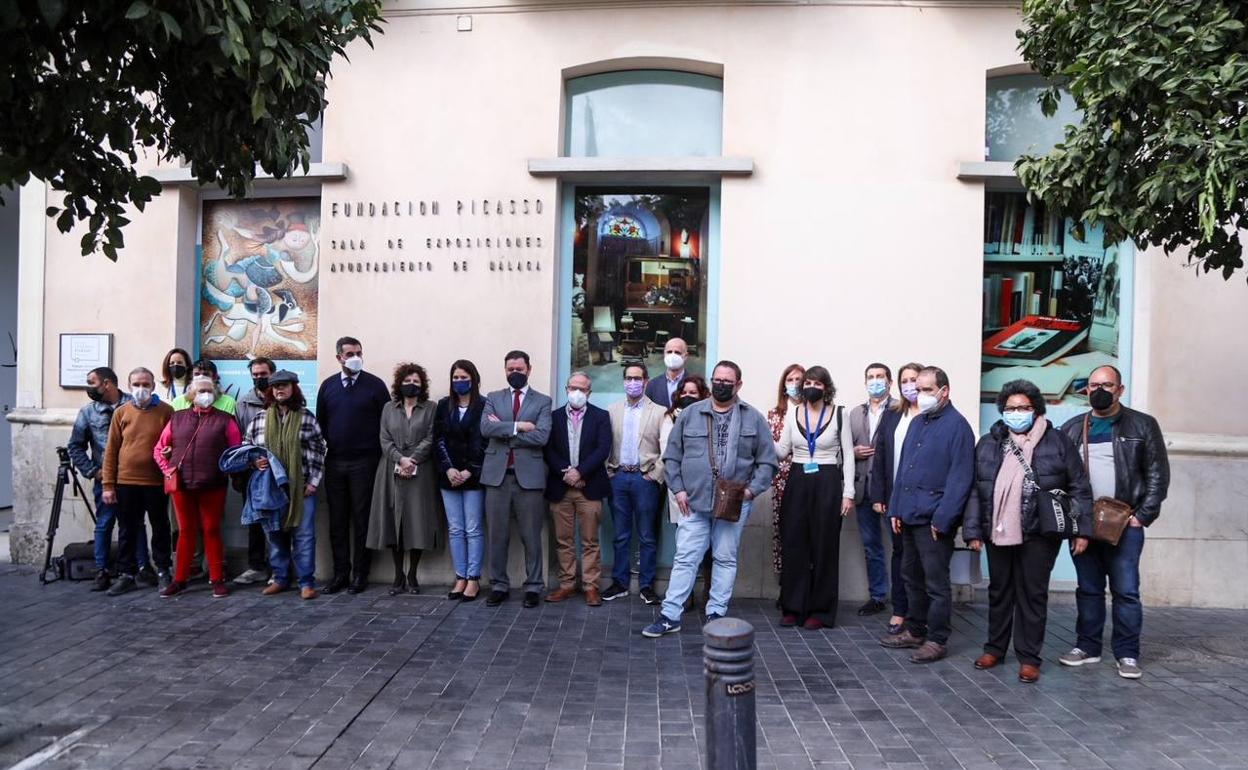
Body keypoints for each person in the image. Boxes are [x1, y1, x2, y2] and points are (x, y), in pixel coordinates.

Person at [964, 379, 1092, 683]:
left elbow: (1079, 488)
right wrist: (972, 530)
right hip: (998, 529)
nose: (1016, 413)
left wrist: (1082, 530)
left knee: (1032, 595)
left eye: (1023, 407)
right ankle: (995, 648)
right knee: (999, 592)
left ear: (1035, 410)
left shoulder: (1057, 441)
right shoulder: (989, 442)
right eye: (1010, 408)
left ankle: (1029, 657)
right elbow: (975, 490)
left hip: (1039, 532)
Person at [643, 361, 778, 637]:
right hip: (693, 501)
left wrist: (749, 492)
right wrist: (678, 489)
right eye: (717, 379)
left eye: (728, 381)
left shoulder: (753, 418)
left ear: (738, 385)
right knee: (685, 559)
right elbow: (672, 456)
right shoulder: (690, 414)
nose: (721, 385)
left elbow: (767, 462)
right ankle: (670, 616)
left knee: (725, 558)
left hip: (734, 504)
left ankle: (716, 613)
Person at [1058, 365, 1170, 679]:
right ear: (1086, 390)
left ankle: (1127, 654)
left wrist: (1142, 516)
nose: (1100, 390)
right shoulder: (1071, 428)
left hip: (1125, 523)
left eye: (1107, 384)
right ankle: (1088, 647)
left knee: (1126, 591)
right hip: (1085, 524)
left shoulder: (1142, 425)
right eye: (1094, 385)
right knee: (1088, 589)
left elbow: (1158, 476)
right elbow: (1061, 477)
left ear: (1120, 390)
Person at [876, 366, 975, 663]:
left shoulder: (958, 427)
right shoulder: (918, 423)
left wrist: (943, 519)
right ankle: (915, 630)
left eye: (928, 390)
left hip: (933, 522)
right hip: (908, 515)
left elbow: (961, 478)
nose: (921, 395)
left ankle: (937, 639)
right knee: (911, 577)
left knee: (935, 583)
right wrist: (895, 508)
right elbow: (903, 469)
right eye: (919, 389)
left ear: (944, 391)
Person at [773, 366, 855, 630]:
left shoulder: (840, 414)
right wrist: (760, 437)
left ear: (826, 388)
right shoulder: (793, 413)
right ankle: (792, 606)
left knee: (824, 547)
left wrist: (848, 493)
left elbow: (849, 455)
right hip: (797, 478)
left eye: (817, 383)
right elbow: (783, 450)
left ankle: (820, 610)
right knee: (794, 543)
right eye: (807, 382)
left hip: (828, 479)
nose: (811, 387)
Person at [153, 376, 243, 598]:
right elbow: (159, 448)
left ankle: (217, 578)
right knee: (185, 531)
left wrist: (229, 471)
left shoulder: (225, 420)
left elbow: (236, 451)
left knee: (212, 529)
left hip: (213, 483)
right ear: (191, 394)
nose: (206, 394)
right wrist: (168, 469)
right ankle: (179, 579)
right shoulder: (177, 418)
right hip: (182, 483)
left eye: (209, 390)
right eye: (201, 390)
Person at [317, 336, 391, 594]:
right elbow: (322, 423)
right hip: (336, 461)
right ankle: (340, 574)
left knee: (362, 520)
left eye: (359, 352)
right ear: (339, 357)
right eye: (349, 353)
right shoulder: (328, 387)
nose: (355, 357)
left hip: (365, 462)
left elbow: (386, 423)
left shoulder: (375, 386)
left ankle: (361, 574)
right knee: (337, 521)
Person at [245, 370, 327, 600]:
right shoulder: (260, 419)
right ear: (270, 390)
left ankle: (306, 582)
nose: (280, 389)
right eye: (276, 386)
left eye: (285, 385)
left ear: (294, 388)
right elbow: (247, 448)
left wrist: (313, 482)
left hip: (301, 489)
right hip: (270, 489)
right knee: (275, 534)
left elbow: (320, 450)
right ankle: (280, 578)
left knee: (304, 536)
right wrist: (253, 460)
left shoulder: (306, 417)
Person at [479, 350, 552, 608]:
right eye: (511, 369)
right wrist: (519, 426)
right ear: (505, 370)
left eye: (520, 369)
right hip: (497, 478)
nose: (515, 373)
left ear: (529, 370)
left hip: (529, 479)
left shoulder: (543, 401)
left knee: (531, 536)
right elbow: (486, 429)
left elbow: (541, 437)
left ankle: (533, 586)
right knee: (497, 535)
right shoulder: (493, 397)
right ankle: (498, 585)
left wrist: (504, 429)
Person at [67, 367, 150, 591]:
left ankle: (142, 568)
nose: (88, 387)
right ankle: (101, 570)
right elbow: (75, 446)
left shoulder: (135, 404)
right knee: (104, 523)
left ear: (107, 383)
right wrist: (93, 471)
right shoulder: (88, 412)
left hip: (134, 478)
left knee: (136, 524)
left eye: (91, 382)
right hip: (107, 479)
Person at [367, 363, 440, 596]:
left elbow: (431, 437)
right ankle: (398, 575)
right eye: (408, 381)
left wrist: (414, 459)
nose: (412, 385)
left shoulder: (431, 408)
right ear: (400, 383)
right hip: (390, 470)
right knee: (394, 522)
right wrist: (401, 459)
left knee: (417, 521)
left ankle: (413, 575)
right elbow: (384, 438)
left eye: (416, 382)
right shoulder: (389, 408)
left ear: (423, 385)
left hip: (421, 472)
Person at [100, 367, 175, 595]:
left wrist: (170, 453)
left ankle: (163, 570)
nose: (141, 389)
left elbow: (174, 442)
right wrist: (108, 485)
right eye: (136, 384)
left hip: (156, 482)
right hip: (126, 482)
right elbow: (111, 450)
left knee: (160, 527)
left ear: (153, 386)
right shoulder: (121, 413)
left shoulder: (166, 411)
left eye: (145, 384)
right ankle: (127, 574)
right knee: (127, 530)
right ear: (129, 385)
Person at [543, 372, 612, 606]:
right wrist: (567, 472)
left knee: (590, 540)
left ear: (589, 392)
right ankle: (567, 584)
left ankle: (591, 586)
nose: (577, 393)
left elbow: (603, 449)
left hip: (589, 487)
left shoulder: (601, 417)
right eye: (573, 388)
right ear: (566, 389)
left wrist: (580, 472)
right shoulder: (553, 417)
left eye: (582, 389)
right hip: (560, 487)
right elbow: (548, 450)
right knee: (564, 540)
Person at [868, 362, 924, 635]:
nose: (909, 385)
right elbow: (880, 457)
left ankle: (919, 612)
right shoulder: (893, 415)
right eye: (905, 380)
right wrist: (878, 495)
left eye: (914, 379)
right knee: (900, 554)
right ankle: (900, 610)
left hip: (923, 500)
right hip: (895, 497)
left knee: (921, 558)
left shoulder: (930, 415)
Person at [604, 363, 667, 605]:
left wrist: (654, 475)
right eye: (629, 378)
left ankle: (646, 585)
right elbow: (604, 443)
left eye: (637, 378)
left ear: (646, 381)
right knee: (620, 535)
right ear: (623, 381)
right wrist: (608, 472)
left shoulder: (659, 412)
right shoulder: (612, 410)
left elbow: (667, 448)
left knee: (647, 536)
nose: (633, 382)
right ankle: (619, 583)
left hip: (645, 479)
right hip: (618, 478)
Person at [435, 360, 487, 601]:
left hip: (473, 477)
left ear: (474, 379)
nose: (459, 382)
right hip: (450, 477)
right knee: (455, 529)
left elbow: (485, 443)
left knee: (473, 529)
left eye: (463, 377)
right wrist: (449, 469)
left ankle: (474, 578)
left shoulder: (485, 405)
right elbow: (438, 439)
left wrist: (469, 470)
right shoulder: (444, 405)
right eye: (455, 377)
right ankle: (461, 576)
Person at [659, 376, 711, 612]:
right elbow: (667, 451)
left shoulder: (709, 416)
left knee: (710, 547)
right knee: (685, 547)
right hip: (679, 490)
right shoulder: (670, 417)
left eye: (694, 392)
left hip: (706, 489)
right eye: (685, 392)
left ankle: (710, 593)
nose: (688, 396)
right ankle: (684, 595)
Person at [849, 363, 895, 616]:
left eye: (880, 377)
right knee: (871, 545)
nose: (875, 381)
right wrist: (853, 452)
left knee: (900, 547)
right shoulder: (856, 413)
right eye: (870, 377)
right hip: (863, 489)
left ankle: (904, 599)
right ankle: (877, 596)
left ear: (889, 381)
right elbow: (844, 449)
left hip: (890, 490)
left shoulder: (900, 410)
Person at [232, 357, 276, 586]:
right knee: (254, 522)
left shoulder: (280, 398)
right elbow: (239, 441)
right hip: (252, 473)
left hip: (277, 473)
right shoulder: (242, 404)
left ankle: (280, 567)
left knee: (279, 521)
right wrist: (247, 465)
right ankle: (256, 566)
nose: (260, 378)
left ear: (273, 373)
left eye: (263, 374)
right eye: (256, 375)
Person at [766, 364, 805, 577]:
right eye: (790, 380)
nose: (795, 384)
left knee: (804, 530)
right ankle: (784, 579)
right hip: (781, 479)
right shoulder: (774, 415)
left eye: (799, 379)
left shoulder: (814, 412)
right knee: (782, 529)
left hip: (807, 476)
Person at [169, 359, 237, 415]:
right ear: (191, 377)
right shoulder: (178, 402)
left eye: (206, 374)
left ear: (215, 378)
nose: (201, 378)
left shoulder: (229, 403)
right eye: (197, 374)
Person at [645, 337, 689, 408]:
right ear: (664, 354)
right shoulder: (652, 385)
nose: (672, 355)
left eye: (677, 352)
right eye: (669, 352)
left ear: (685, 356)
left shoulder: (695, 384)